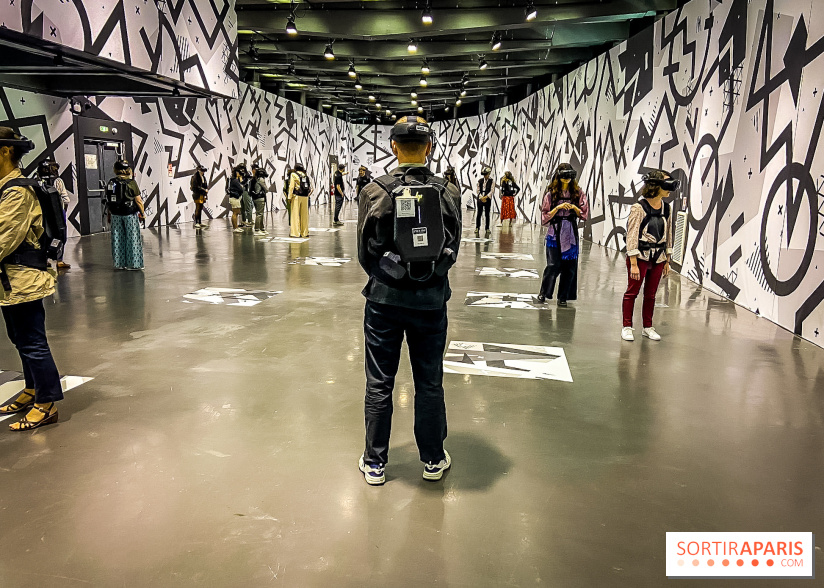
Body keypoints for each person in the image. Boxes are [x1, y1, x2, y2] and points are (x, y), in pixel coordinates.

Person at [357, 116, 462, 486]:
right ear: (430, 148)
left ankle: (375, 462)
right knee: (429, 381)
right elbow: (453, 250)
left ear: (393, 147)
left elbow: (365, 256)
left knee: (380, 381)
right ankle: (433, 458)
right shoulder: (448, 192)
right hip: (431, 303)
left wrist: (392, 274)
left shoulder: (374, 191)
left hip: (384, 303)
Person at [0, 129, 63, 430]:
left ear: (5, 152)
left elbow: (4, 239)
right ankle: (30, 389)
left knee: (32, 342)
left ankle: (46, 402)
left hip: (23, 280)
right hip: (8, 281)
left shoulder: (16, 192)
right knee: (19, 339)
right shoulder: (4, 188)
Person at [621, 170, 677, 341]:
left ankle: (647, 326)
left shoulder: (667, 208)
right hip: (640, 256)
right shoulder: (639, 208)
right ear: (655, 185)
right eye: (666, 184)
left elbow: (668, 234)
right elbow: (632, 235)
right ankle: (627, 326)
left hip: (658, 257)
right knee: (632, 292)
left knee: (651, 294)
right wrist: (634, 262)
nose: (670, 189)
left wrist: (667, 260)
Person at [537, 163, 589, 306]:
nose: (566, 179)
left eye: (569, 176)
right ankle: (544, 292)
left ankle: (563, 296)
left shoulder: (578, 193)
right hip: (554, 233)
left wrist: (574, 208)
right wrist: (558, 208)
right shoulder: (551, 194)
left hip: (570, 233)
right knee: (553, 264)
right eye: (563, 176)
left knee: (570, 266)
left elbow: (584, 214)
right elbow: (544, 217)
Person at [106, 160, 145, 270]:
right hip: (129, 214)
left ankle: (119, 263)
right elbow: (138, 200)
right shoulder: (131, 183)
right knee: (132, 238)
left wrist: (109, 214)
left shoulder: (111, 182)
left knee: (117, 238)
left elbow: (108, 200)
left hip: (115, 214)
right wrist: (142, 213)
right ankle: (134, 264)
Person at [36, 159, 71, 268]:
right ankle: (59, 260)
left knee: (43, 235)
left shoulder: (36, 181)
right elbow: (66, 199)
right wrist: (63, 210)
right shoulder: (58, 181)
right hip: (57, 212)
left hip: (41, 212)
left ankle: (44, 259)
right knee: (60, 234)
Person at [288, 163, 312, 238]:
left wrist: (289, 197)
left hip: (297, 196)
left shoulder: (293, 174)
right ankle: (304, 232)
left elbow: (291, 186)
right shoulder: (305, 175)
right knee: (304, 215)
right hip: (305, 196)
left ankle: (295, 233)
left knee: (295, 215)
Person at [250, 163, 269, 235]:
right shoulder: (261, 179)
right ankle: (257, 229)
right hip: (260, 198)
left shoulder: (254, 179)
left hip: (255, 198)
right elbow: (266, 189)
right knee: (259, 214)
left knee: (260, 213)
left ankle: (262, 228)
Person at [475, 166, 493, 235]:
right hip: (480, 198)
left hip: (487, 199)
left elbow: (492, 190)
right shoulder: (480, 181)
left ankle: (487, 228)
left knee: (487, 214)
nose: (485, 176)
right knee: (479, 213)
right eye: (484, 175)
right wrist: (481, 197)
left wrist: (486, 197)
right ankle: (477, 227)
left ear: (489, 174)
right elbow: (478, 190)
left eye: (486, 174)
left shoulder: (492, 181)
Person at [190, 164, 208, 229]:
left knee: (200, 207)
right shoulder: (195, 177)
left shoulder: (203, 177)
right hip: (197, 194)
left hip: (202, 194)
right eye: (201, 171)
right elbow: (195, 187)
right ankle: (197, 222)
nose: (203, 172)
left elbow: (205, 185)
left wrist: (205, 191)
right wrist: (204, 189)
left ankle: (199, 222)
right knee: (198, 207)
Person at [228, 166, 245, 233]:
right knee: (235, 213)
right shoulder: (235, 180)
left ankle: (236, 227)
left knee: (236, 213)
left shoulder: (234, 180)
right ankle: (235, 227)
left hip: (235, 198)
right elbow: (241, 189)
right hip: (234, 198)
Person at [239, 163, 254, 228]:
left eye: (243, 168)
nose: (242, 170)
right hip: (241, 191)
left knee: (248, 206)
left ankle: (250, 220)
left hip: (246, 191)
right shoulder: (239, 175)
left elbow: (248, 181)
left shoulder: (247, 174)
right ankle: (244, 220)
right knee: (242, 207)